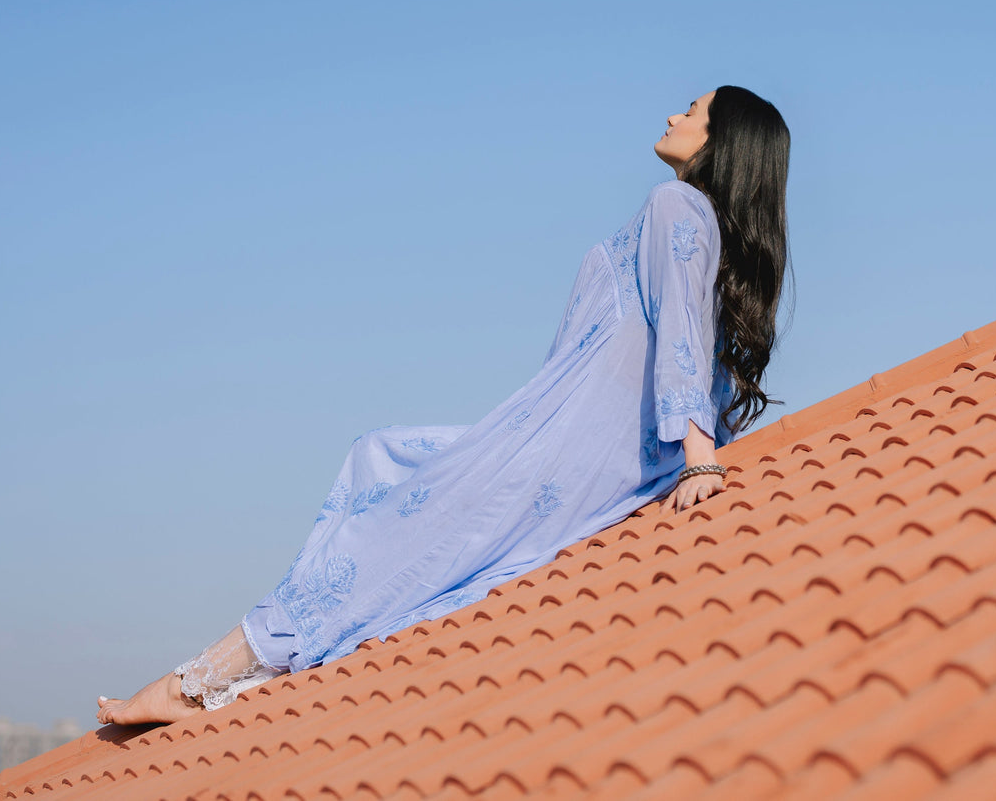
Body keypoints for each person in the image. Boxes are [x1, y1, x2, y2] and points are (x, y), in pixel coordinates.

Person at [96, 85, 791, 725]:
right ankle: (258, 674)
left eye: (691, 110)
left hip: (568, 449)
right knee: (382, 460)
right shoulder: (704, 229)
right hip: (577, 446)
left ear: (720, 142)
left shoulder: (675, 206)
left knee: (392, 527)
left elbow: (682, 334)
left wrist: (699, 459)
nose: (672, 115)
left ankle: (191, 684)